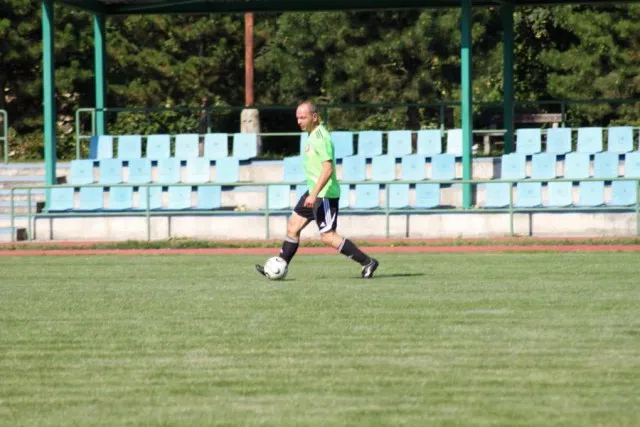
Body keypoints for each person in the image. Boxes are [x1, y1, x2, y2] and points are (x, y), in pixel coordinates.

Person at [256, 100, 379, 279]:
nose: (299, 121)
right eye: (297, 118)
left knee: (328, 236)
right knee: (293, 226)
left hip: (325, 194)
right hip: (314, 192)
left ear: (314, 117)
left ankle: (368, 262)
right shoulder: (311, 135)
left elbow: (328, 169)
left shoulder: (321, 138)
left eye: (303, 117)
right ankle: (278, 267)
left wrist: (314, 194)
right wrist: (312, 193)